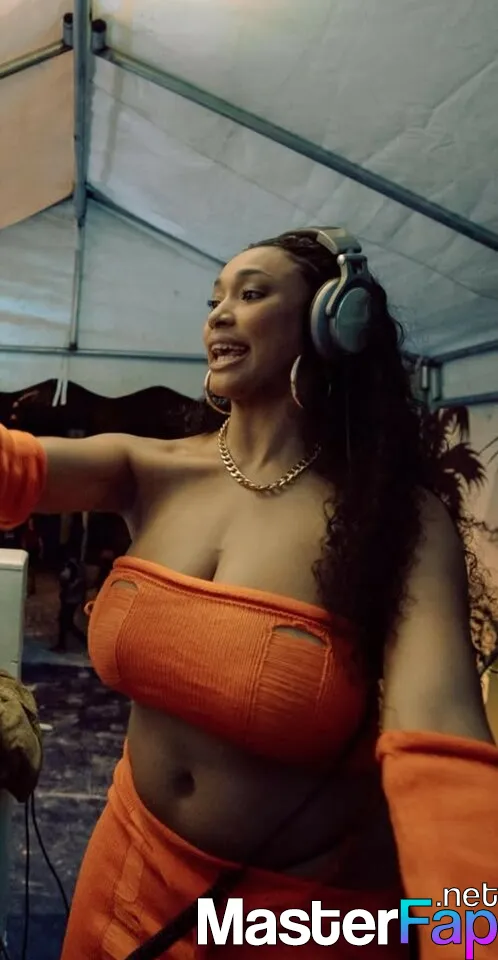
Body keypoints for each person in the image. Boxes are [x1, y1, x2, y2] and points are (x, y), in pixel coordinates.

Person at [0, 226, 497, 960]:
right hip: (124, 870)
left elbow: (443, 743)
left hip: (292, 919)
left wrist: (474, 938)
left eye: (252, 293)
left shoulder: (396, 518)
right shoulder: (150, 470)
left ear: (335, 324)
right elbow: (13, 469)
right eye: (213, 300)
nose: (219, 314)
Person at [54, 554, 87, 652]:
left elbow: (64, 578)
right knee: (67, 622)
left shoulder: (71, 566)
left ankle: (62, 645)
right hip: (74, 598)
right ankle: (83, 641)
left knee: (64, 621)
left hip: (69, 598)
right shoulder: (80, 565)